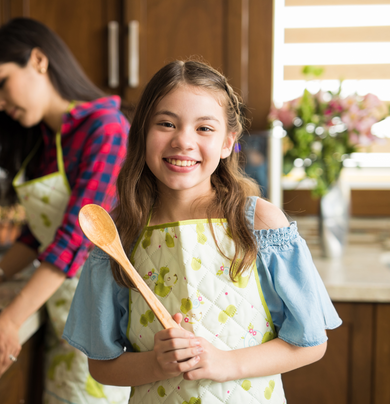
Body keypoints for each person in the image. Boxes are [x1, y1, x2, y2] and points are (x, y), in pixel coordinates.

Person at [63, 60, 342, 403]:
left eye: (204, 128)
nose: (183, 141)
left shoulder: (260, 224)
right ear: (142, 133)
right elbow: (102, 365)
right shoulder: (117, 236)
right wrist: (156, 364)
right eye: (166, 124)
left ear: (228, 142)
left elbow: (310, 342)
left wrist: (226, 363)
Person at [0, 17, 130, 404]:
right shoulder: (44, 141)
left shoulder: (105, 129)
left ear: (38, 60)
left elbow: (76, 236)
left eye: (1, 82)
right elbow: (37, 234)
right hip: (62, 313)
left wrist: (11, 317)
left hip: (103, 314)